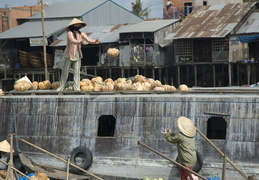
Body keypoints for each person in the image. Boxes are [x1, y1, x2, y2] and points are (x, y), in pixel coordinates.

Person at [56, 18, 100, 91]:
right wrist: (80, 42)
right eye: (76, 24)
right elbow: (72, 41)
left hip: (77, 55)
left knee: (76, 72)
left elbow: (88, 40)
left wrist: (95, 41)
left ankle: (77, 87)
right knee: (65, 72)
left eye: (79, 24)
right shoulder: (69, 33)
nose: (78, 25)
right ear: (73, 25)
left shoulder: (81, 33)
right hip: (69, 55)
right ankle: (61, 86)